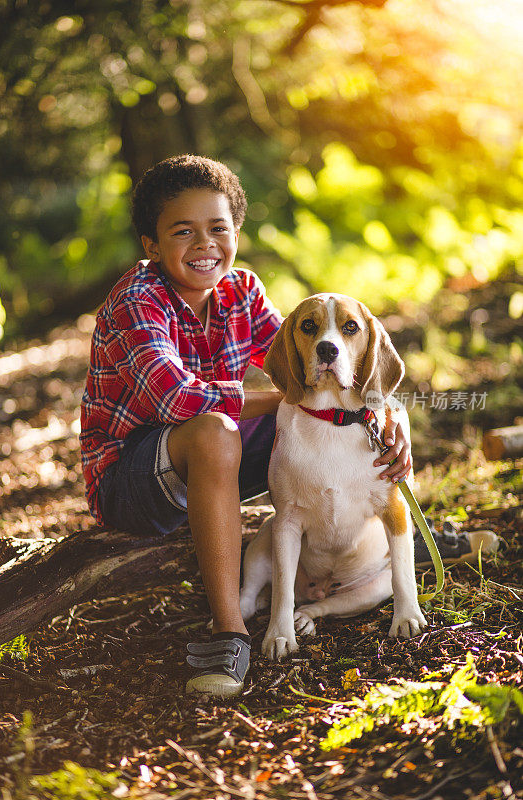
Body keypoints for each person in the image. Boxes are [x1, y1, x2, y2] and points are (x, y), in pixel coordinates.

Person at [80, 154, 490, 698]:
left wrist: (385, 412)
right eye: (183, 231)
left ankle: (391, 537)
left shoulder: (240, 291)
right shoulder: (138, 302)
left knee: (327, 418)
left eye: (218, 229)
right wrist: (296, 395)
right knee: (221, 428)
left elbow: (314, 362)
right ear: (151, 245)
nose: (205, 245)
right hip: (132, 480)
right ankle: (230, 629)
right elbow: (182, 400)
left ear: (236, 232)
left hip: (213, 456)